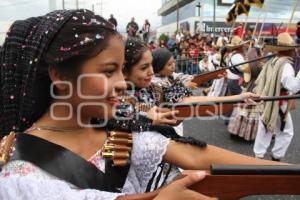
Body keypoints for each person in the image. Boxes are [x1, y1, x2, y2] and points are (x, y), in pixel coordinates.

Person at [0, 9, 286, 200]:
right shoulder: (18, 177)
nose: (123, 82)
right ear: (59, 75)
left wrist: (288, 174)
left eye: (121, 69)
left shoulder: (113, 127)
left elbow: (195, 154)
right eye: (108, 71)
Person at [253, 32, 300, 161]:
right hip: (278, 103)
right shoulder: (285, 65)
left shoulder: (272, 62)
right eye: (293, 49)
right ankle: (276, 157)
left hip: (268, 100)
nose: (295, 52)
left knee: (265, 128)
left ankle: (258, 157)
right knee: (286, 132)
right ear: (289, 50)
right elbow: (293, 86)